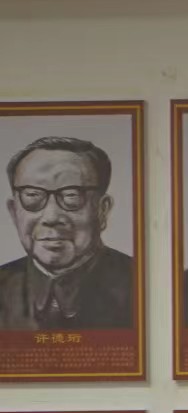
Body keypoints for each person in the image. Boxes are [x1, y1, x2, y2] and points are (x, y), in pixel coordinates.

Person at [0, 136, 136, 333]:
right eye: (32, 195)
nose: (51, 217)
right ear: (14, 212)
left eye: (72, 196)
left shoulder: (142, 283)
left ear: (102, 209)